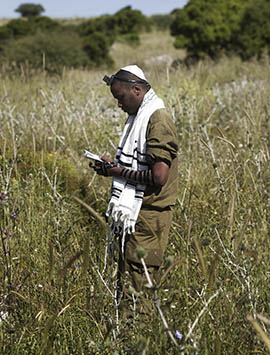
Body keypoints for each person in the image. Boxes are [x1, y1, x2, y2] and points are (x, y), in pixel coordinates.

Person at [90, 65, 179, 307]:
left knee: (139, 288)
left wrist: (116, 172)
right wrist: (112, 167)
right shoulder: (142, 116)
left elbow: (159, 176)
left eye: (121, 98)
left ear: (137, 90)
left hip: (150, 215)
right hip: (139, 213)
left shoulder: (157, 119)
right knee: (129, 280)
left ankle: (136, 339)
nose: (119, 105)